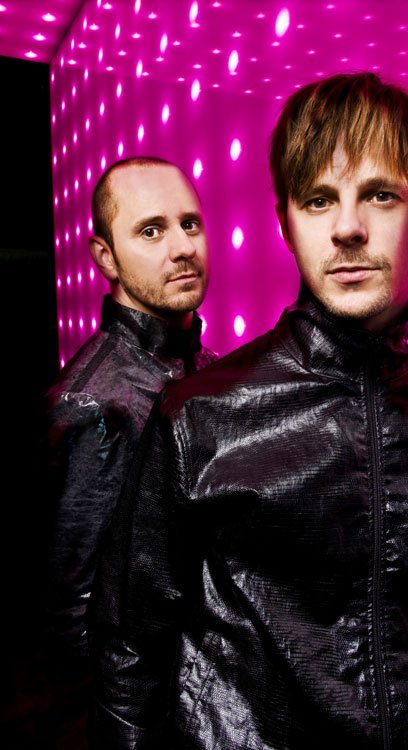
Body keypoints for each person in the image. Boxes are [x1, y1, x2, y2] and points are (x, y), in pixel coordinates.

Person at [90, 74, 408, 749]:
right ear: (285, 223)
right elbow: (129, 653)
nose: (348, 228)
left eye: (379, 194)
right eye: (318, 199)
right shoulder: (198, 417)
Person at [44, 156, 215, 658]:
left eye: (190, 224)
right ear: (106, 258)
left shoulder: (212, 367)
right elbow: (71, 619)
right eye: (151, 231)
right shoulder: (94, 406)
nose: (183, 247)